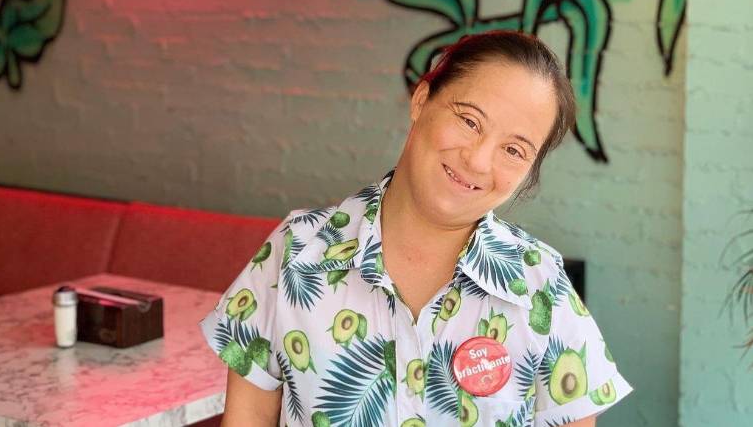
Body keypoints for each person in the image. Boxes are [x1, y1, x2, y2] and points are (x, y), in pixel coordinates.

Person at [199, 30, 633, 427]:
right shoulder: (295, 252)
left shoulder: (540, 284)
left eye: (514, 150)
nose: (479, 161)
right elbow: (247, 417)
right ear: (422, 99)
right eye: (469, 121)